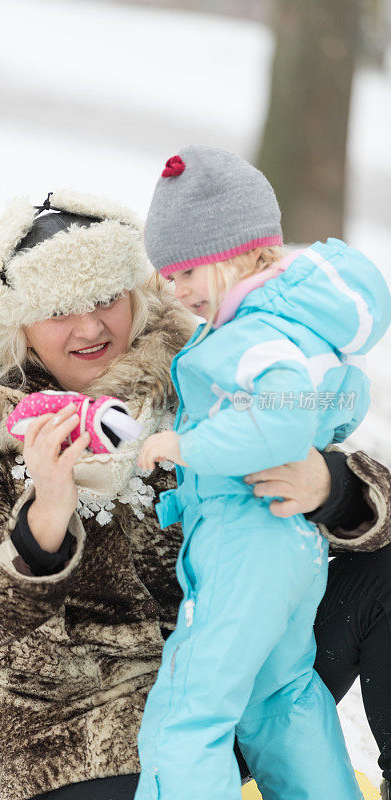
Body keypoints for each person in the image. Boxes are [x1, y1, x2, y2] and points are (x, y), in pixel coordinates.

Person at [0, 187, 391, 800]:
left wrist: (330, 487)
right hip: (83, 733)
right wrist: (46, 515)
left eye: (106, 299)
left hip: (238, 677)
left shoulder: (199, 365)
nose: (92, 327)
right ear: (18, 322)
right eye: (60, 310)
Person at [134, 146, 391, 800]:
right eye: (167, 275)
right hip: (287, 545)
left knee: (189, 712)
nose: (177, 290)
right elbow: (336, 403)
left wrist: (182, 448)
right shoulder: (302, 330)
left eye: (188, 269)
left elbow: (274, 427)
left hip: (243, 550)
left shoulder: (255, 337)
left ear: (242, 251)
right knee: (282, 699)